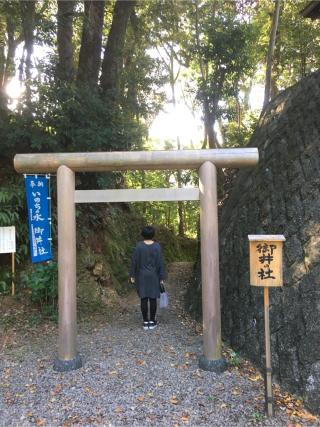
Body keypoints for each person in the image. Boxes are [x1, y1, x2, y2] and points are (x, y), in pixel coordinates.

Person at [130, 226, 166, 330]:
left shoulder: (139, 246)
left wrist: (132, 275)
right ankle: (152, 321)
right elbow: (160, 263)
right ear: (153, 235)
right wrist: (161, 277)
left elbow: (134, 262)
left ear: (142, 234)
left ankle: (145, 322)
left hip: (141, 275)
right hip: (154, 276)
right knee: (153, 298)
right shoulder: (157, 246)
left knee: (144, 298)